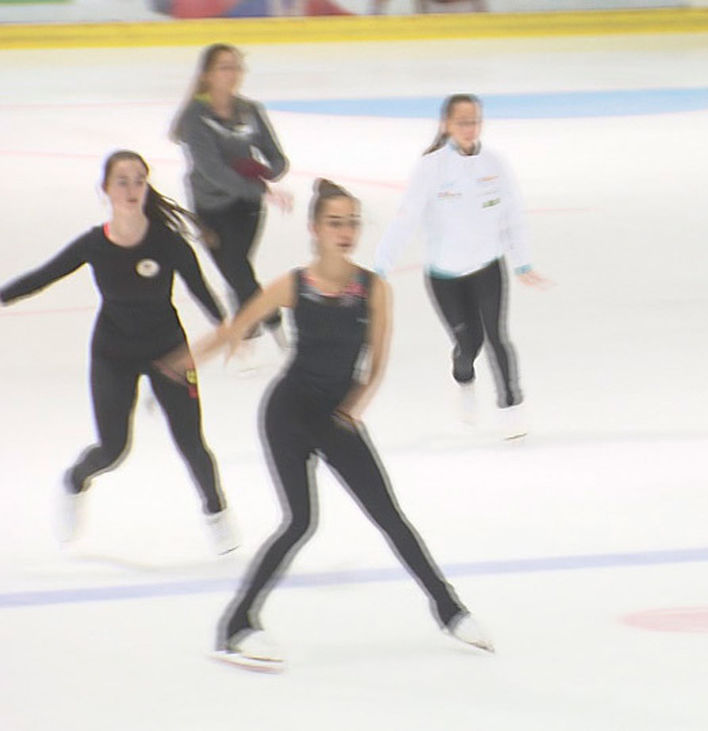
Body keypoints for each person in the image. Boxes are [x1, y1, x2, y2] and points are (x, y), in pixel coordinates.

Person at [175, 179, 492, 669]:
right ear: (315, 229)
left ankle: (451, 612)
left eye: (352, 223)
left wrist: (353, 407)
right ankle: (236, 626)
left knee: (389, 516)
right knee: (300, 522)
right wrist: (180, 365)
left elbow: (376, 365)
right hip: (287, 413)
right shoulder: (293, 284)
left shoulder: (374, 289)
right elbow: (235, 328)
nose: (345, 232)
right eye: (335, 223)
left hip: (336, 417)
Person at [0, 151, 234, 553]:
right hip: (114, 354)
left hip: (169, 354)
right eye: (122, 181)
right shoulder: (95, 244)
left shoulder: (168, 243)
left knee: (191, 441)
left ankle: (217, 513)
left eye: (138, 180)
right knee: (113, 449)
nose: (131, 189)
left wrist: (230, 329)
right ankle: (75, 481)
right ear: (106, 189)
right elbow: (42, 277)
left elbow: (202, 291)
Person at [375, 93, 548, 437]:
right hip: (445, 276)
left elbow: (512, 214)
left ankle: (511, 406)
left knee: (497, 336)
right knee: (469, 343)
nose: (470, 129)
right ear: (447, 125)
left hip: (488, 266)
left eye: (475, 121)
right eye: (463, 122)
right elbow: (406, 218)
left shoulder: (495, 163)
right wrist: (381, 267)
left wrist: (522, 261)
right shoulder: (431, 167)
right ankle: (463, 377)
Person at [171, 43, 292, 349]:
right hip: (210, 208)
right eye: (225, 67)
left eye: (237, 67)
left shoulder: (251, 111)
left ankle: (252, 330)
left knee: (238, 271)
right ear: (208, 75)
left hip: (248, 208)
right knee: (237, 272)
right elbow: (212, 170)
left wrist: (266, 171)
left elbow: (277, 158)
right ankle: (271, 326)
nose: (233, 73)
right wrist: (259, 187)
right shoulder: (195, 118)